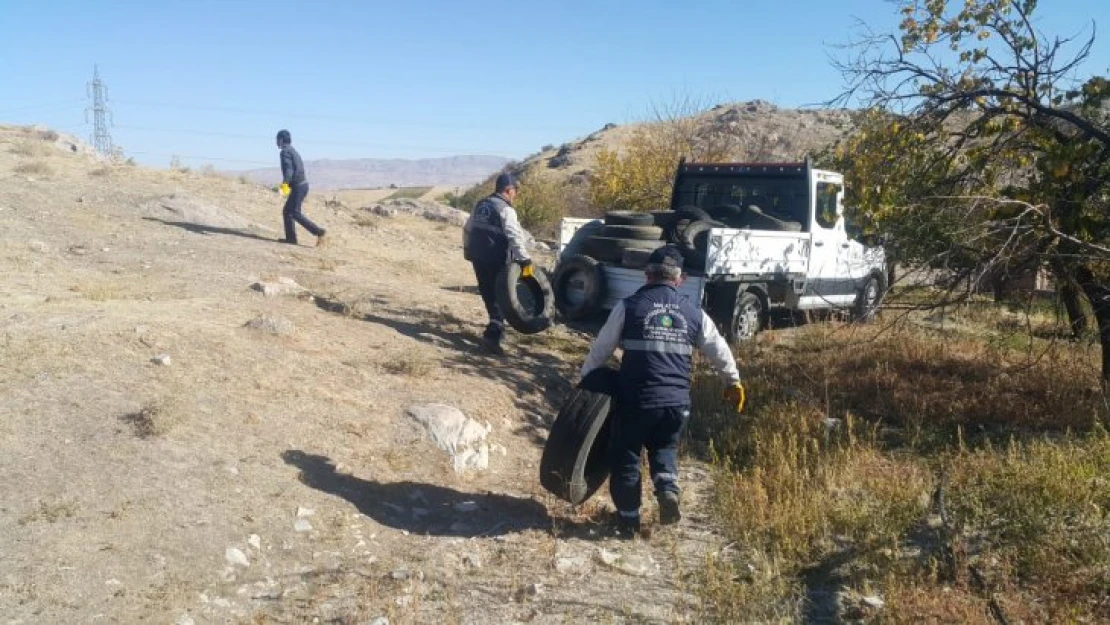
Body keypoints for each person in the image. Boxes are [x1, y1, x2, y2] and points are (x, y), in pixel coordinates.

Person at [579, 245, 745, 536]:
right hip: (676, 403)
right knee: (664, 448)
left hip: (636, 401)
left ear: (647, 275)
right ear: (679, 280)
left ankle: (629, 522)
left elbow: (600, 350)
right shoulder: (695, 313)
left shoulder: (628, 307)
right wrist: (733, 381)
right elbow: (719, 349)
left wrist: (585, 383)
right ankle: (668, 488)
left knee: (627, 456)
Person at [462, 173, 533, 355]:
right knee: (501, 297)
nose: (515, 195)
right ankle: (492, 336)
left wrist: (468, 249)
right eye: (515, 191)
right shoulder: (505, 209)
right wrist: (525, 260)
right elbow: (514, 235)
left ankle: (496, 329)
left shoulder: (481, 204)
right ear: (509, 190)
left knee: (488, 294)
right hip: (497, 259)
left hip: (479, 257)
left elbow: (468, 229)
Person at [275, 129, 327, 246]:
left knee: (294, 212)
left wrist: (284, 187)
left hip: (298, 187)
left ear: (281, 140)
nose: (276, 142)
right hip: (302, 185)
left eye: (277, 140)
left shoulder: (285, 152)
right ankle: (291, 239)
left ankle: (319, 232)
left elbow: (289, 171)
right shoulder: (293, 151)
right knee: (288, 211)